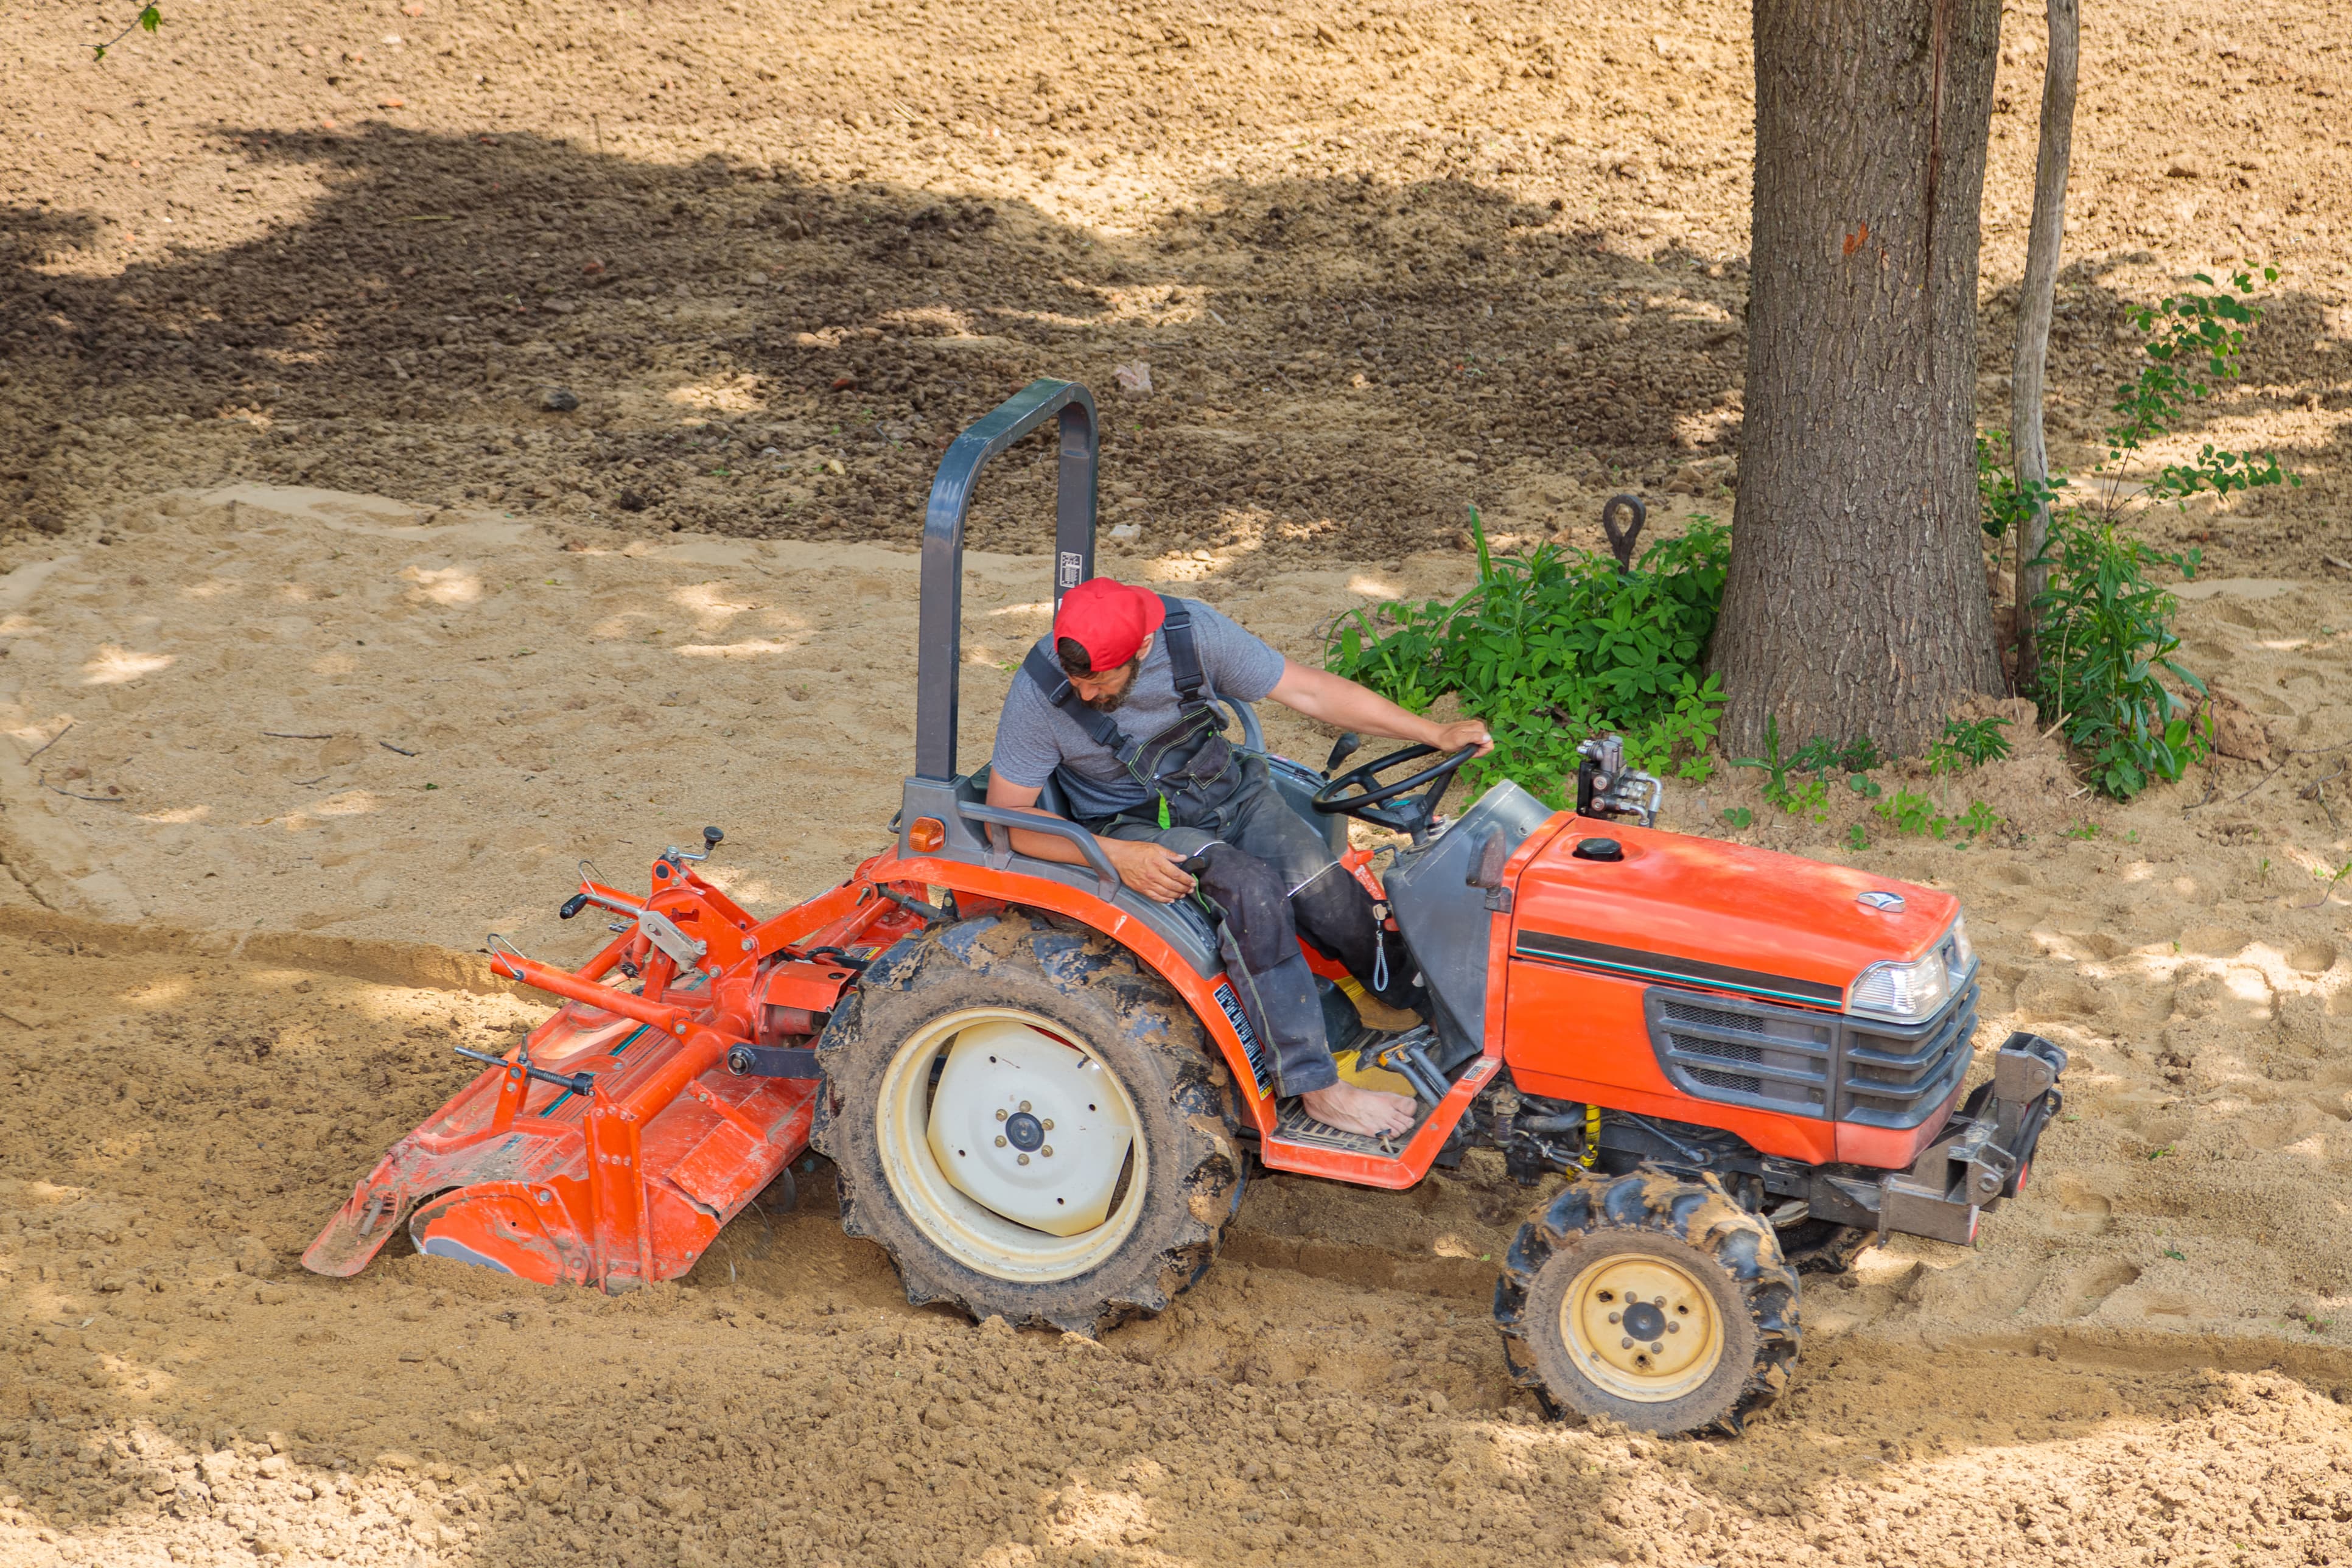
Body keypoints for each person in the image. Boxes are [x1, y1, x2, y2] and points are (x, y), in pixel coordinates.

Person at [985, 577, 1491, 1138]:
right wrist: (1117, 854)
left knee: (1322, 885)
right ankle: (1315, 1087)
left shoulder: (1192, 634)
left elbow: (1312, 693)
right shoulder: (1040, 692)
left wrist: (1435, 731)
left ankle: (1421, 1004)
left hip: (1230, 791)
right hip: (1136, 828)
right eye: (1078, 681)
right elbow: (1010, 819)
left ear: (1145, 646)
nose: (1084, 695)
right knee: (1252, 891)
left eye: (1100, 680)